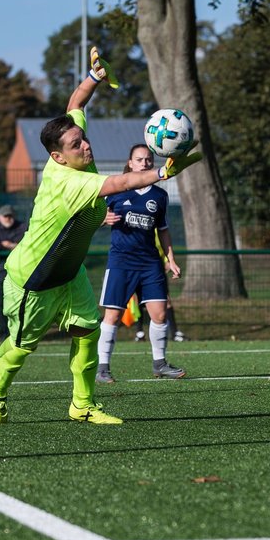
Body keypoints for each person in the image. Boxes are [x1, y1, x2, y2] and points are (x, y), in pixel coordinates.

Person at [0, 53, 198, 425]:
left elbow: (75, 103)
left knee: (87, 331)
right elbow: (122, 182)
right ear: (57, 157)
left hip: (69, 271)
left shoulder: (73, 156)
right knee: (22, 348)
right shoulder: (69, 182)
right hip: (35, 277)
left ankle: (82, 404)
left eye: (84, 140)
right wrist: (162, 172)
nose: (86, 146)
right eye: (77, 145)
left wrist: (94, 77)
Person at [95, 145, 188, 384]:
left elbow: (164, 231)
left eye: (148, 160)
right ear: (130, 163)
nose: (145, 163)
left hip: (150, 264)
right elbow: (89, 216)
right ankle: (102, 368)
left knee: (159, 314)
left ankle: (160, 364)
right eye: (140, 160)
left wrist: (171, 259)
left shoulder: (160, 196)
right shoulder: (114, 190)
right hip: (121, 263)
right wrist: (101, 219)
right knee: (113, 317)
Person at [0, 205, 26, 341]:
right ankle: (4, 334)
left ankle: (16, 333)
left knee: (17, 306)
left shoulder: (22, 227)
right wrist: (12, 246)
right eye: (5, 216)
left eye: (10, 216)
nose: (8, 219)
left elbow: (24, 245)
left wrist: (7, 244)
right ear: (0, 217)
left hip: (17, 274)